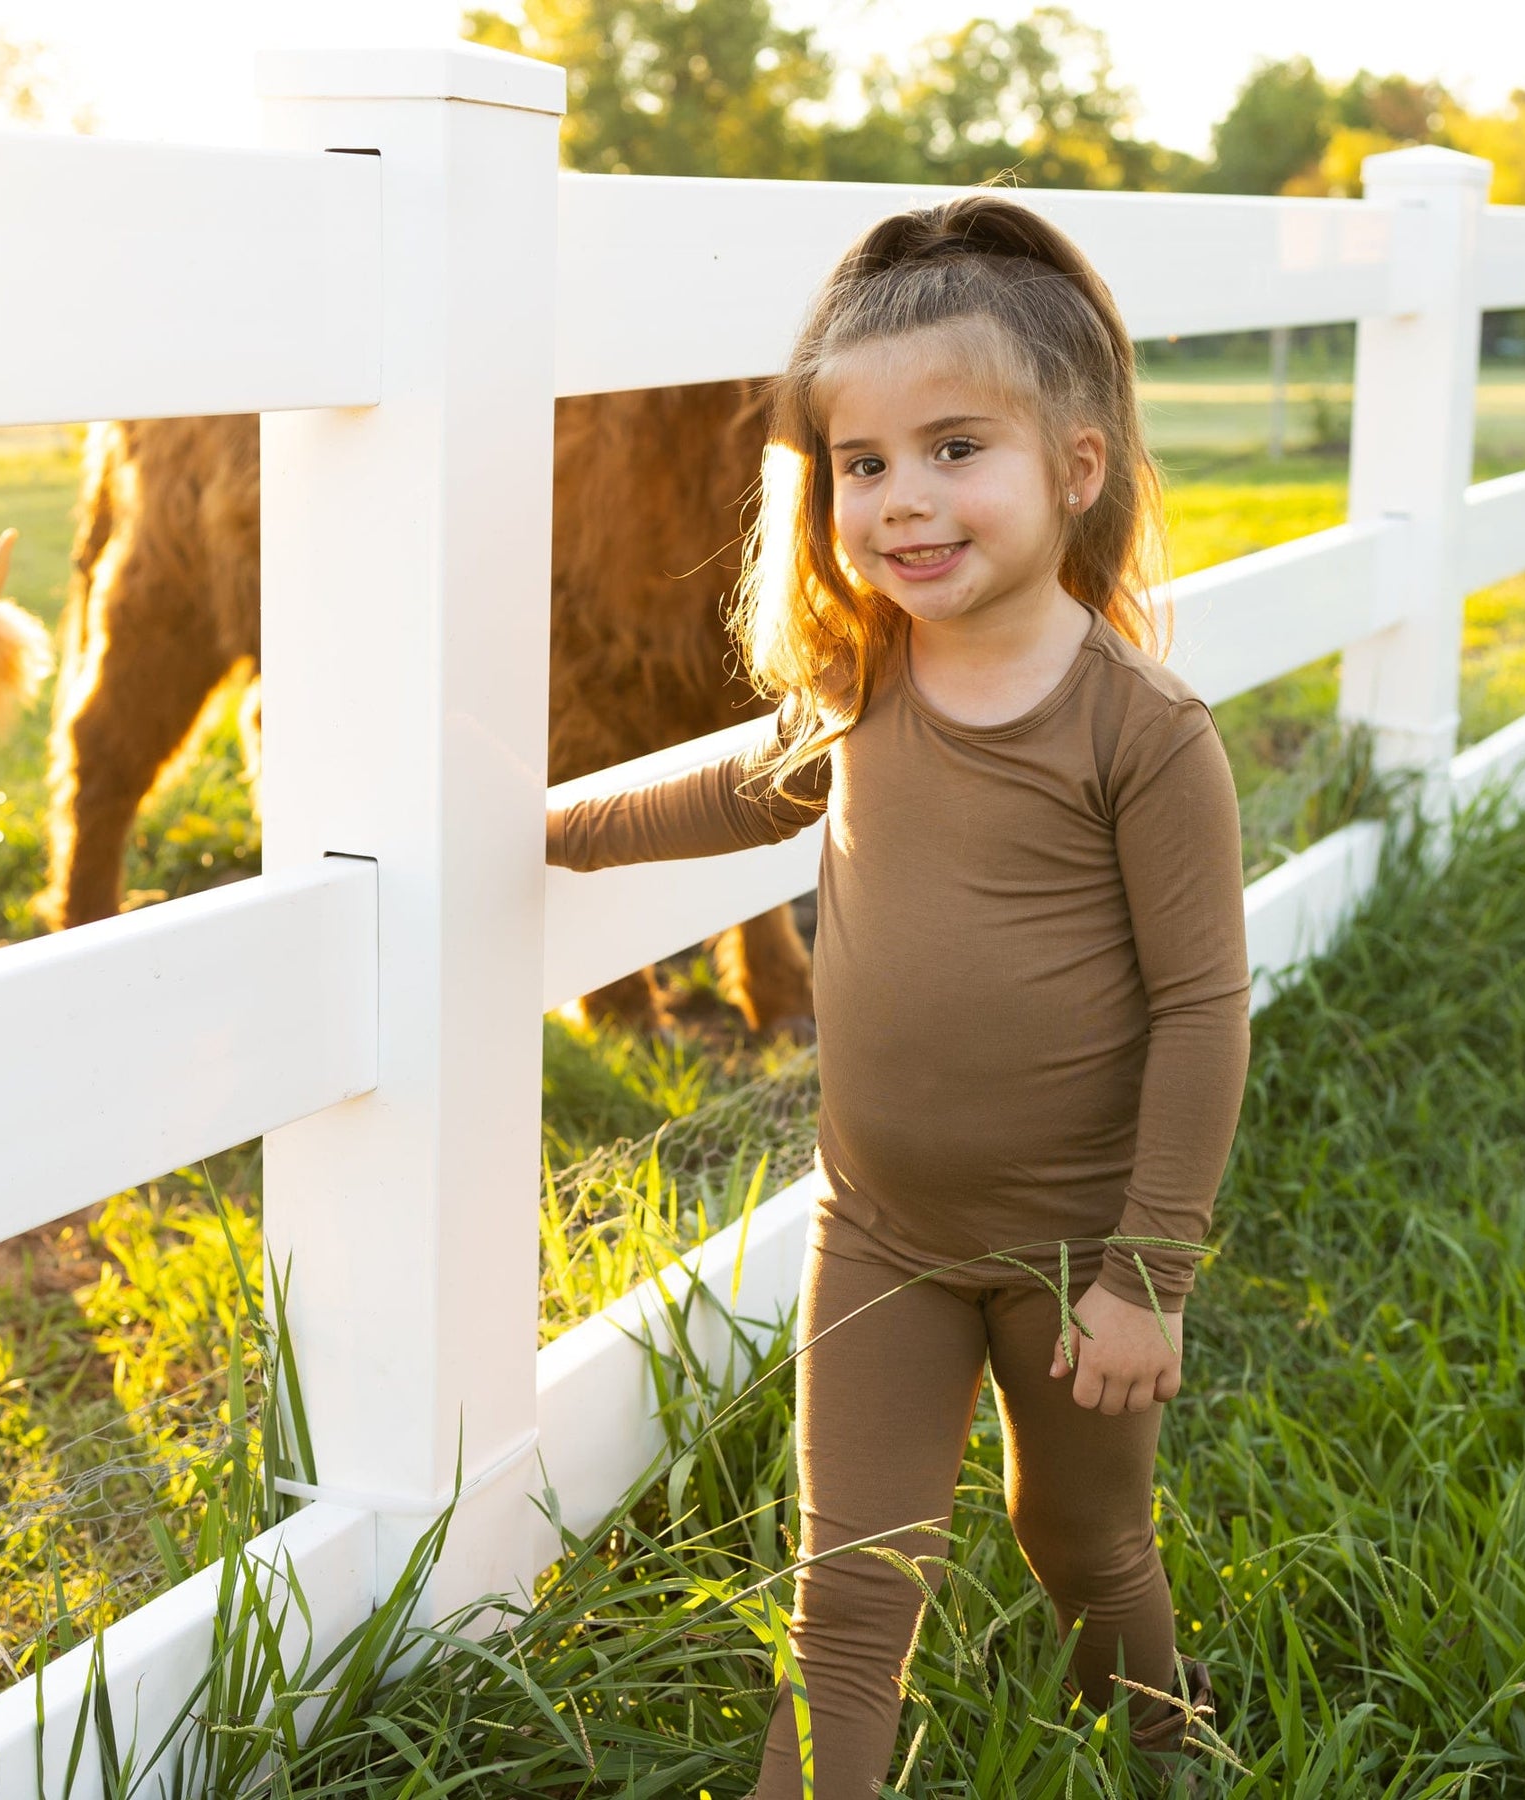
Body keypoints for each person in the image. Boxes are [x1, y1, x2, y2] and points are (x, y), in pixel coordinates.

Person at [546, 190, 1249, 1796]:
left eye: (955, 451)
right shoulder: (866, 686)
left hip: (1080, 1250)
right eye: (862, 466)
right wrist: (543, 833)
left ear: (1076, 468)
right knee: (849, 1597)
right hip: (877, 1233)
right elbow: (728, 793)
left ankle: (1166, 1739)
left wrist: (1148, 1272)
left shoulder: (1143, 736)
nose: (903, 504)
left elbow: (1207, 1012)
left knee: (1080, 1539)